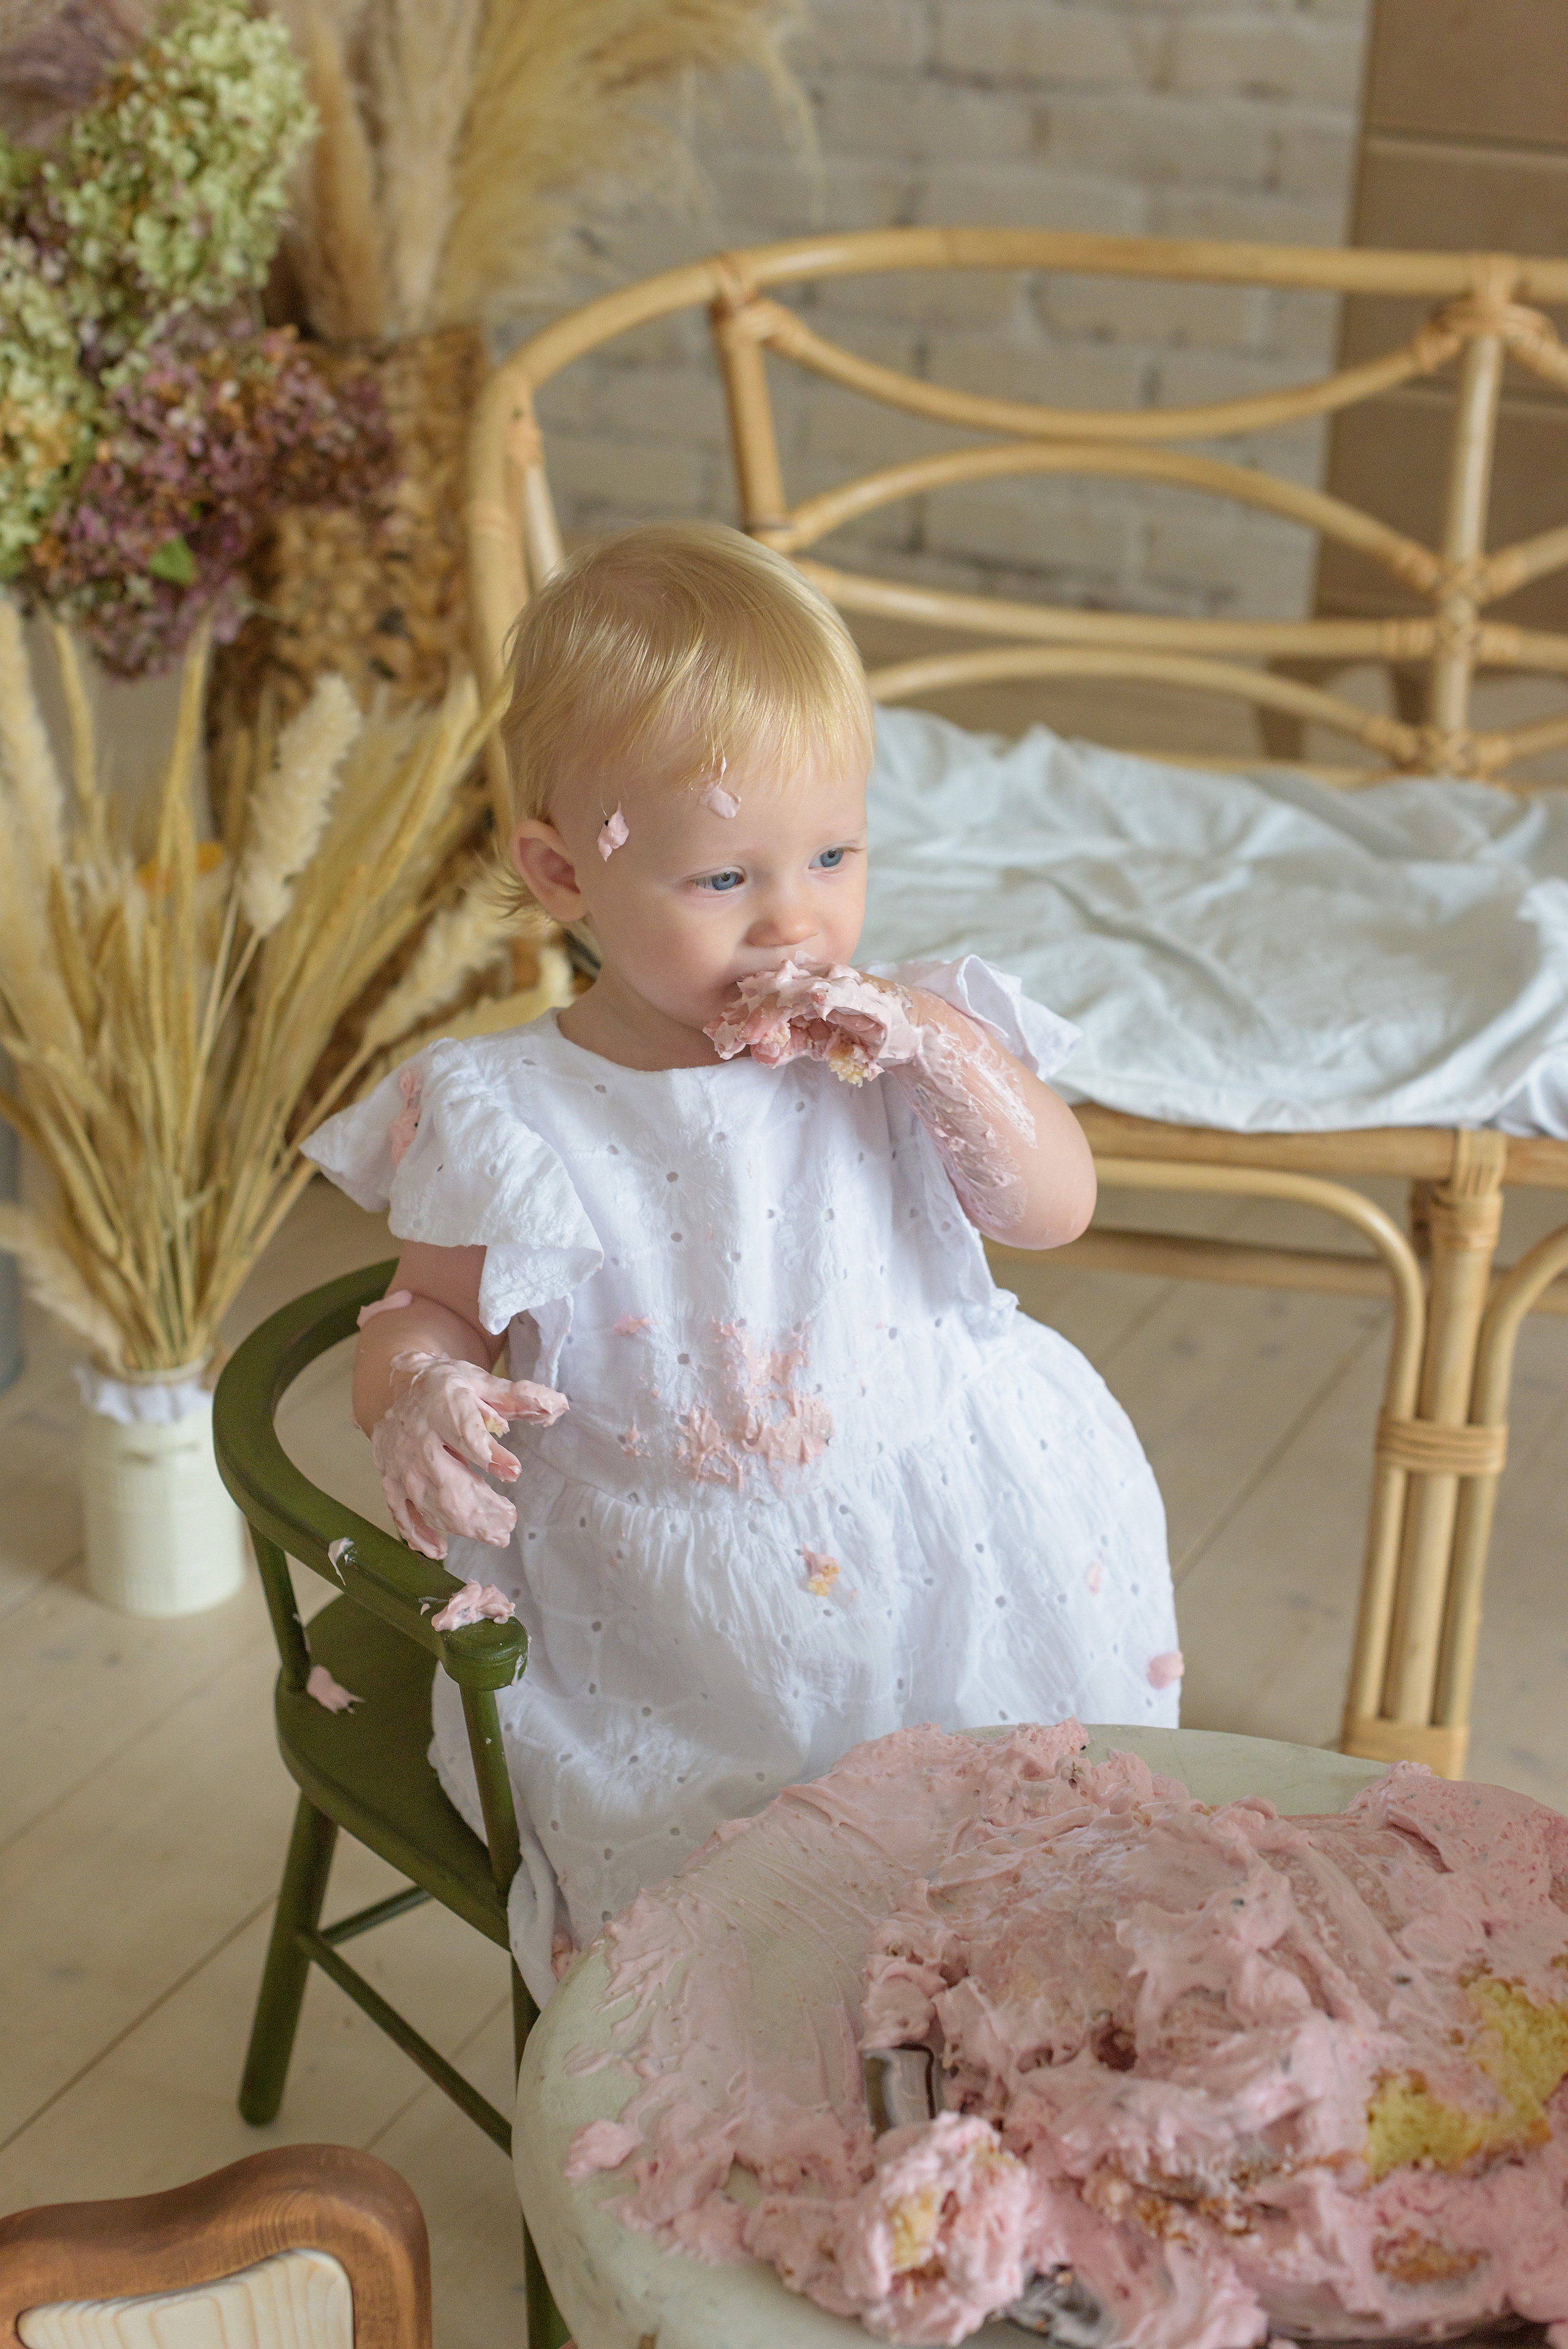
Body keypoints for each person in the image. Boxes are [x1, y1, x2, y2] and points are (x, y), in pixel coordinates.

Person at [304, 522, 1179, 2006]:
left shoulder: (898, 1042)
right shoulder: (507, 1110)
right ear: (561, 871)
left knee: (1002, 1875)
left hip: (942, 1546)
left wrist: (938, 1054)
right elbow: (427, 1313)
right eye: (724, 878)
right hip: (660, 1609)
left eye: (833, 854)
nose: (797, 919)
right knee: (756, 1944)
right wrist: (422, 1398)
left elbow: (1054, 1206)